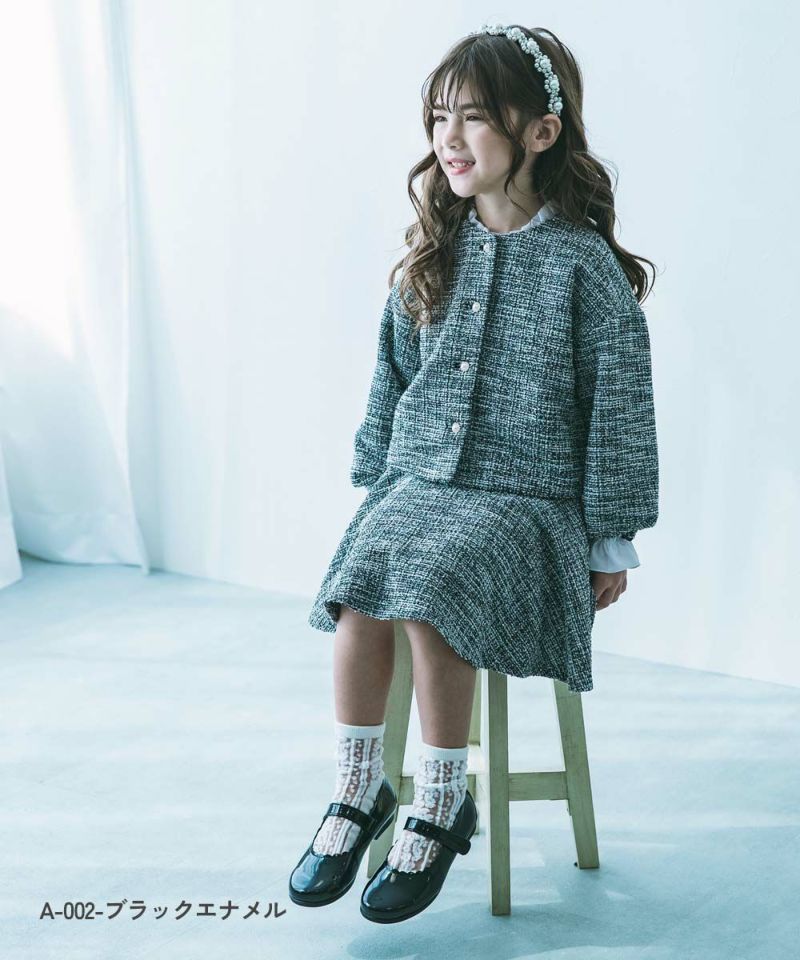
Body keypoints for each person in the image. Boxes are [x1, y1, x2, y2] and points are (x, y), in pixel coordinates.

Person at [289, 22, 659, 924]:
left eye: (474, 118)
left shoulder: (582, 268)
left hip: (529, 506)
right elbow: (393, 377)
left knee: (432, 587)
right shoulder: (434, 252)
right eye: (438, 118)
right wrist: (380, 485)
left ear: (540, 132)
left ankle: (442, 799)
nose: (448, 138)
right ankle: (358, 787)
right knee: (358, 585)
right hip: (420, 484)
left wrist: (610, 539)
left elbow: (619, 406)